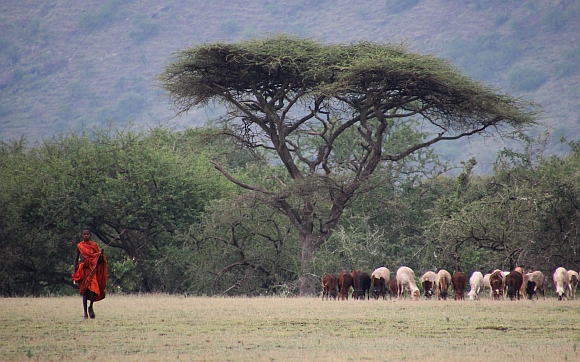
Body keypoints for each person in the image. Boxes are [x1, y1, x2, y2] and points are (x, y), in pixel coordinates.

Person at [72, 228, 108, 319]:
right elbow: (76, 259)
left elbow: (99, 260)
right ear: (82, 235)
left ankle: (90, 306)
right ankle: (85, 313)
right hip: (84, 270)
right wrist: (75, 272)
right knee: (84, 292)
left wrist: (101, 254)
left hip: (92, 271)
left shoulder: (94, 245)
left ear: (90, 235)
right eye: (84, 234)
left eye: (88, 234)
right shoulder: (79, 246)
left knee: (93, 290)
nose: (86, 235)